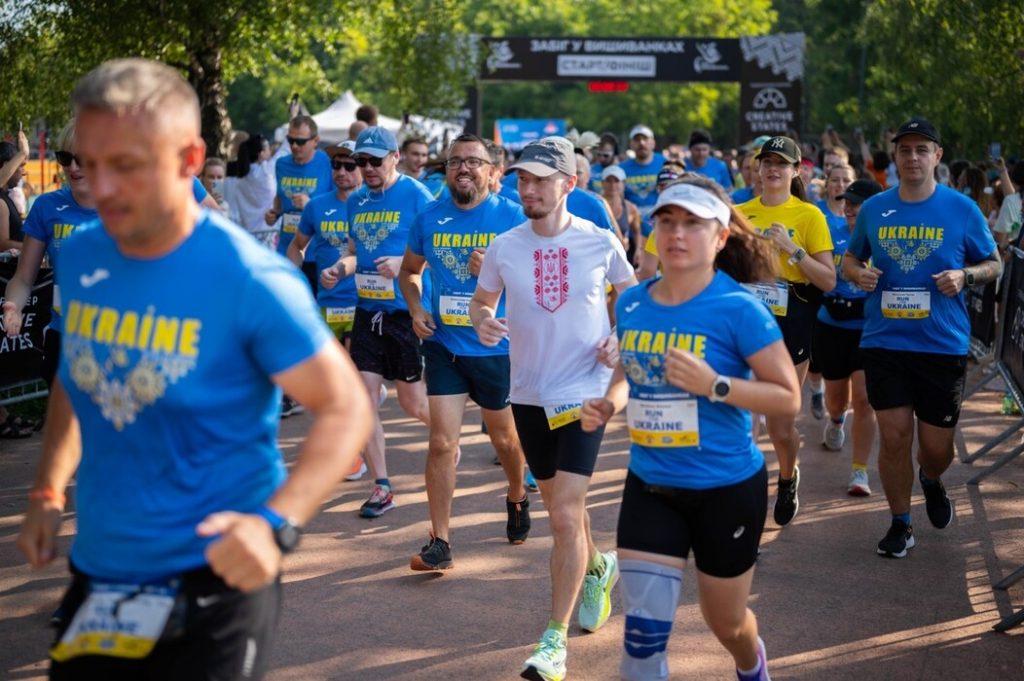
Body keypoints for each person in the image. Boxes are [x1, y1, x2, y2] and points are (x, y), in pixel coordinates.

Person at [15, 57, 372, 680]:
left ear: (188, 160)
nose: (99, 188)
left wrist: (273, 525)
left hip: (215, 577)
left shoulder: (250, 277)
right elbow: (79, 378)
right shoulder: (87, 255)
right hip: (101, 568)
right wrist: (48, 488)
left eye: (125, 165)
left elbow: (345, 408)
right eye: (89, 163)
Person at [582, 177, 799, 681]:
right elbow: (626, 375)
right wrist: (609, 405)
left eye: (693, 224)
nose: (677, 234)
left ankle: (752, 664)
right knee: (641, 643)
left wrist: (716, 385)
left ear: (720, 237)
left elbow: (787, 395)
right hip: (651, 487)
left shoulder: (739, 309)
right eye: (667, 221)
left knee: (726, 623)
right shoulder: (633, 304)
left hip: (726, 489)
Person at [470, 136, 637, 681]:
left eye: (540, 179)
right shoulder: (505, 246)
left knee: (564, 514)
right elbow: (481, 301)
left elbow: (633, 299)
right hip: (528, 396)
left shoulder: (598, 240)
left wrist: (620, 335)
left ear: (568, 184)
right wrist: (482, 320)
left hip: (584, 393)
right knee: (564, 506)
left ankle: (552, 642)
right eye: (522, 179)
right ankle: (598, 566)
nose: (528, 188)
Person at [843, 117, 1001, 558]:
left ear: (937, 156)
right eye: (905, 149)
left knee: (935, 449)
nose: (912, 157)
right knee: (894, 437)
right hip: (884, 340)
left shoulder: (962, 209)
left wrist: (965, 274)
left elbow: (995, 264)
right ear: (894, 157)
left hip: (941, 344)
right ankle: (900, 523)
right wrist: (859, 275)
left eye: (921, 149)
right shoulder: (875, 209)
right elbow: (850, 260)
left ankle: (930, 480)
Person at [399, 133, 531, 569]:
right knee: (440, 442)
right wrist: (416, 307)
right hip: (444, 345)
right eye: (455, 161)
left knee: (505, 439)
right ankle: (441, 541)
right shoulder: (429, 217)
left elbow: (537, 286)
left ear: (493, 173)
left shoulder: (513, 217)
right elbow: (409, 272)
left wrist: (497, 269)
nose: (463, 168)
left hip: (496, 347)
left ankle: (516, 494)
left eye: (474, 161)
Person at [320, 125, 434, 518]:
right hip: (368, 311)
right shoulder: (357, 202)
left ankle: (445, 435)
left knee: (411, 401)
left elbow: (435, 251)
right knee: (361, 398)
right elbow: (355, 253)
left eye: (374, 161)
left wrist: (404, 263)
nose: (366, 168)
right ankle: (382, 485)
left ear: (394, 157)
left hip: (405, 313)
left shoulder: (417, 196)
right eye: (360, 161)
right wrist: (340, 268)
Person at [737, 136, 835, 527]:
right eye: (767, 162)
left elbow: (828, 280)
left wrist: (790, 249)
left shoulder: (810, 216)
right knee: (745, 422)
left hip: (791, 322)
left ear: (797, 171)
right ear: (756, 169)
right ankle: (745, 509)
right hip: (744, 323)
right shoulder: (738, 212)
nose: (773, 169)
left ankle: (787, 475)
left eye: (782, 163)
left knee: (779, 424)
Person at [2, 120, 98, 387]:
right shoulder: (47, 206)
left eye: (83, 159)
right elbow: (23, 278)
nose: (73, 167)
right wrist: (13, 307)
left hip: (114, 341)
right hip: (62, 338)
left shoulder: (127, 208)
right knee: (65, 427)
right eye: (65, 158)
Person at [814, 179, 883, 495]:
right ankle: (836, 419)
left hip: (869, 327)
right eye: (847, 201)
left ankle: (859, 472)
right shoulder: (832, 233)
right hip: (833, 324)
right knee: (836, 397)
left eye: (857, 202)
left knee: (865, 399)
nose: (850, 207)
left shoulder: (885, 238)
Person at [805, 163, 856, 419]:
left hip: (849, 300)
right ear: (827, 183)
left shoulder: (860, 217)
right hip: (816, 290)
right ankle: (815, 388)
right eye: (835, 180)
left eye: (846, 180)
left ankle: (836, 411)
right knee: (814, 356)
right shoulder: (816, 213)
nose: (840, 185)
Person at [264, 114, 333, 291]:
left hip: (315, 252)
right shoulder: (281, 165)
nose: (294, 146)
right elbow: (280, 198)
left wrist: (311, 204)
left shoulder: (327, 163)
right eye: (290, 140)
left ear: (315, 140)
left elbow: (336, 204)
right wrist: (275, 212)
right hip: (286, 249)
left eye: (300, 141)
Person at [619, 125, 665, 248]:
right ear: (631, 144)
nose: (641, 143)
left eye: (645, 139)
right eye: (637, 140)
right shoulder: (622, 169)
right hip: (633, 234)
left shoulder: (665, 164)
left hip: (659, 231)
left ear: (653, 143)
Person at [224, 133, 278, 237]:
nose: (270, 150)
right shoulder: (266, 171)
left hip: (246, 233)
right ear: (261, 154)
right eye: (267, 148)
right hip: (268, 233)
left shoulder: (240, 174)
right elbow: (284, 150)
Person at [0, 140, 27, 252]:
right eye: (21, 165)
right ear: (8, 166)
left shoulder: (5, 197)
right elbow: (2, 244)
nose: (24, 172)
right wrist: (37, 248)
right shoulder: (1, 202)